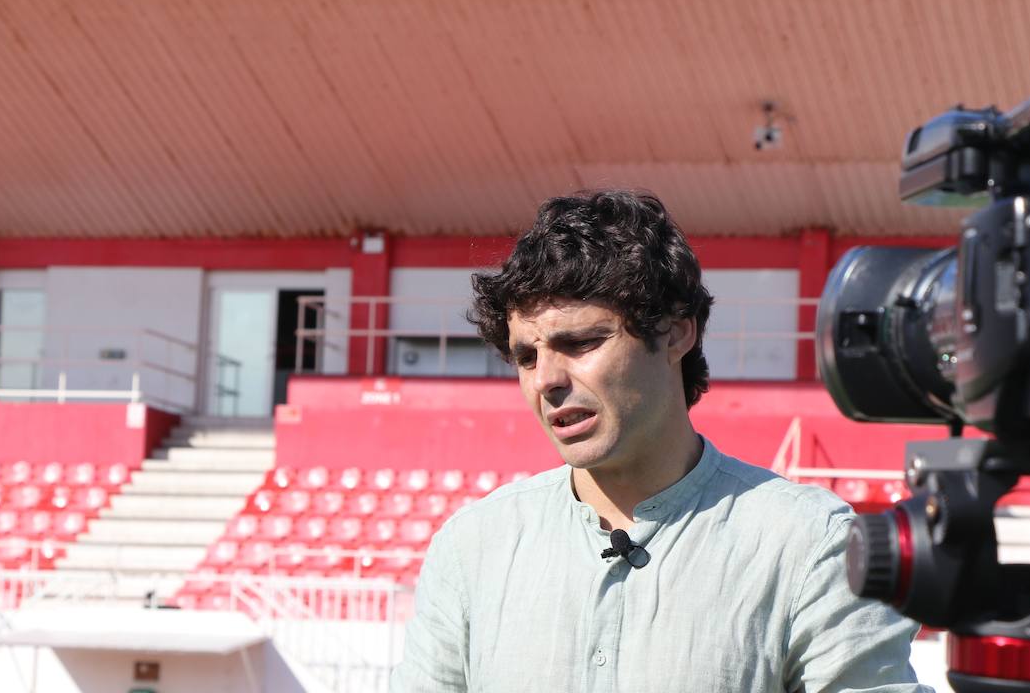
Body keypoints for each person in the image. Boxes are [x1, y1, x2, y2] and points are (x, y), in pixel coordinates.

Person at [391, 190, 929, 692]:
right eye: (526, 356)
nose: (545, 380)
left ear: (676, 332)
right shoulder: (472, 548)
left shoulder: (811, 546)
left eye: (579, 342)